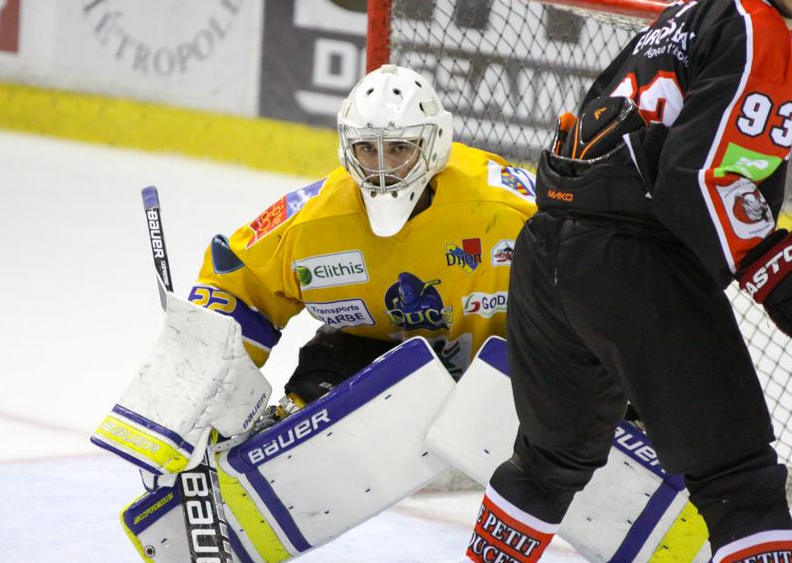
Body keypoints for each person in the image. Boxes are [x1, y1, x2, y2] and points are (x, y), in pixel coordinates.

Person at [417, 0, 792, 563]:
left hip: (549, 252)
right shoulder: (758, 30)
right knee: (738, 472)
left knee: (552, 458)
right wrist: (776, 266)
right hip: (630, 264)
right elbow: (698, 175)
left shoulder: (687, 16)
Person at [188, 63, 536, 412]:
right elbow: (235, 288)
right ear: (347, 149)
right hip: (373, 365)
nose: (381, 167)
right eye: (367, 148)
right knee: (320, 382)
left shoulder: (503, 207)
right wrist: (195, 395)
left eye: (399, 148)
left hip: (504, 375)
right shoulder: (315, 219)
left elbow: (581, 270)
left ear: (433, 145)